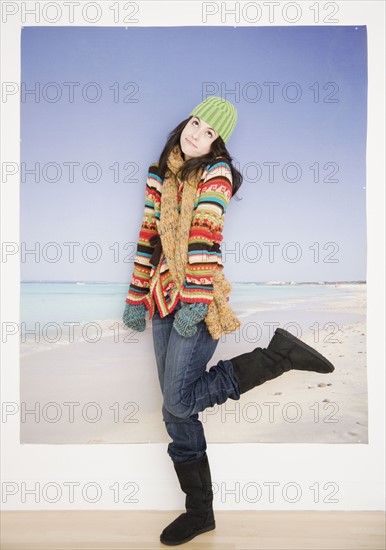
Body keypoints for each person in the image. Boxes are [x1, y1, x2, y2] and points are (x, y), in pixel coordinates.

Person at [122, 96, 335, 546]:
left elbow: (205, 236)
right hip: (163, 298)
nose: (195, 133)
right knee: (176, 410)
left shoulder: (216, 174)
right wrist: (137, 295)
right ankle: (200, 514)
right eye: (195, 122)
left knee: (177, 403)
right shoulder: (158, 174)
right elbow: (148, 237)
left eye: (208, 132)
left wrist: (195, 303)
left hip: (199, 298)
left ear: (218, 142)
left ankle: (277, 357)